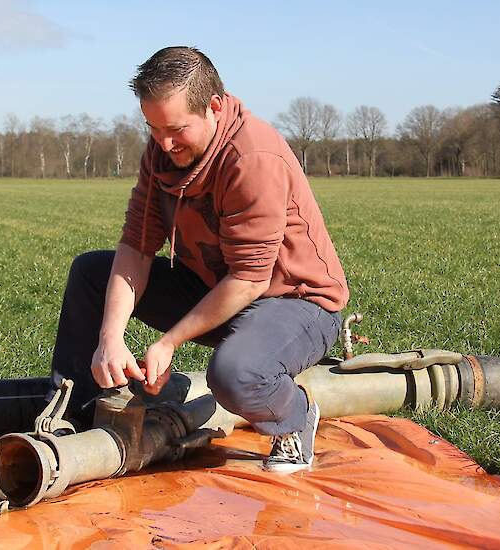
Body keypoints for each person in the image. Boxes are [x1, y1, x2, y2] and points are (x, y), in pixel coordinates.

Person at [50, 46, 348, 472]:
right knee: (91, 273)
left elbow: (249, 278)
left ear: (213, 106)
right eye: (153, 128)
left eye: (175, 129)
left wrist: (169, 342)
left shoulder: (253, 159)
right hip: (214, 286)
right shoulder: (161, 153)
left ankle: (294, 416)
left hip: (296, 303)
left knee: (236, 375)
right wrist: (110, 338)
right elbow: (136, 246)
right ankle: (74, 416)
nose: (164, 143)